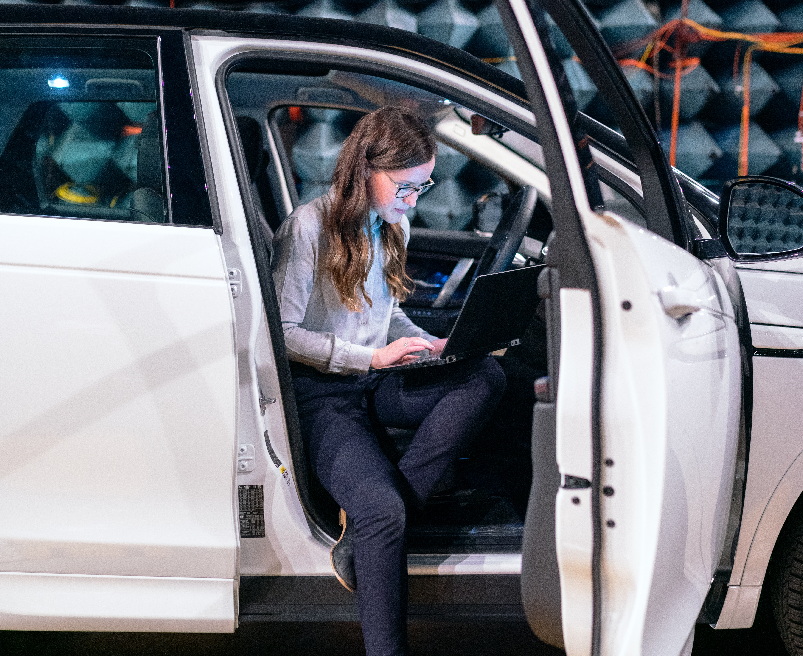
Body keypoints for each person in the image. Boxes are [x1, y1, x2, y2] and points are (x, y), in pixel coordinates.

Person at [272, 106, 506, 656]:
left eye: (423, 188)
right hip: (321, 394)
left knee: (485, 374)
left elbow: (387, 314)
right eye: (405, 188)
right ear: (365, 171)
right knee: (383, 511)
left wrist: (428, 343)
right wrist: (371, 359)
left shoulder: (391, 224)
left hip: (374, 381)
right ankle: (378, 531)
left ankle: (368, 535)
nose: (413, 201)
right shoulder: (308, 227)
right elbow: (282, 335)